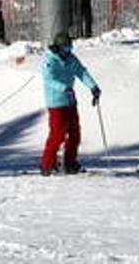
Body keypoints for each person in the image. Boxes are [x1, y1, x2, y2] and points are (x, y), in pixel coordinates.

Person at [40, 32, 101, 176]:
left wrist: (93, 86)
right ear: (58, 48)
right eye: (66, 49)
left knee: (75, 134)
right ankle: (47, 164)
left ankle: (70, 163)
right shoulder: (49, 60)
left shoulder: (70, 59)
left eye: (70, 49)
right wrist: (64, 88)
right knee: (57, 134)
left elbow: (81, 72)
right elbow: (49, 79)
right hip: (56, 103)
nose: (68, 52)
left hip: (70, 101)